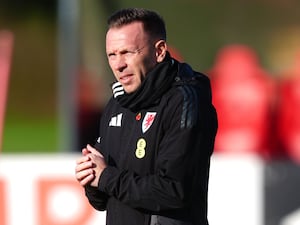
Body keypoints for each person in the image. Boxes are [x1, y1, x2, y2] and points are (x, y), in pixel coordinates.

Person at [75, 8, 218, 225]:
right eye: (112, 55)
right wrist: (91, 176)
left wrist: (105, 177)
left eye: (127, 53)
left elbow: (174, 190)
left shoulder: (184, 101)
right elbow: (104, 200)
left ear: (159, 51)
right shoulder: (116, 104)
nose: (118, 64)